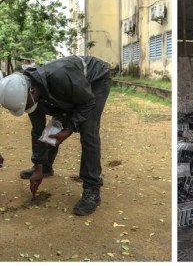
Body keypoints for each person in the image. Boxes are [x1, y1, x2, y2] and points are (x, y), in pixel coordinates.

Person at [0, 55, 111, 216]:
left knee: (88, 130)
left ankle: (92, 188)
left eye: (28, 106)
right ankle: (46, 167)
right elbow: (38, 131)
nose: (29, 110)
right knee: (51, 130)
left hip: (96, 79)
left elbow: (87, 102)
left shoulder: (60, 75)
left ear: (32, 91)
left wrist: (68, 130)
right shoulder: (28, 96)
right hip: (70, 89)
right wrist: (38, 166)